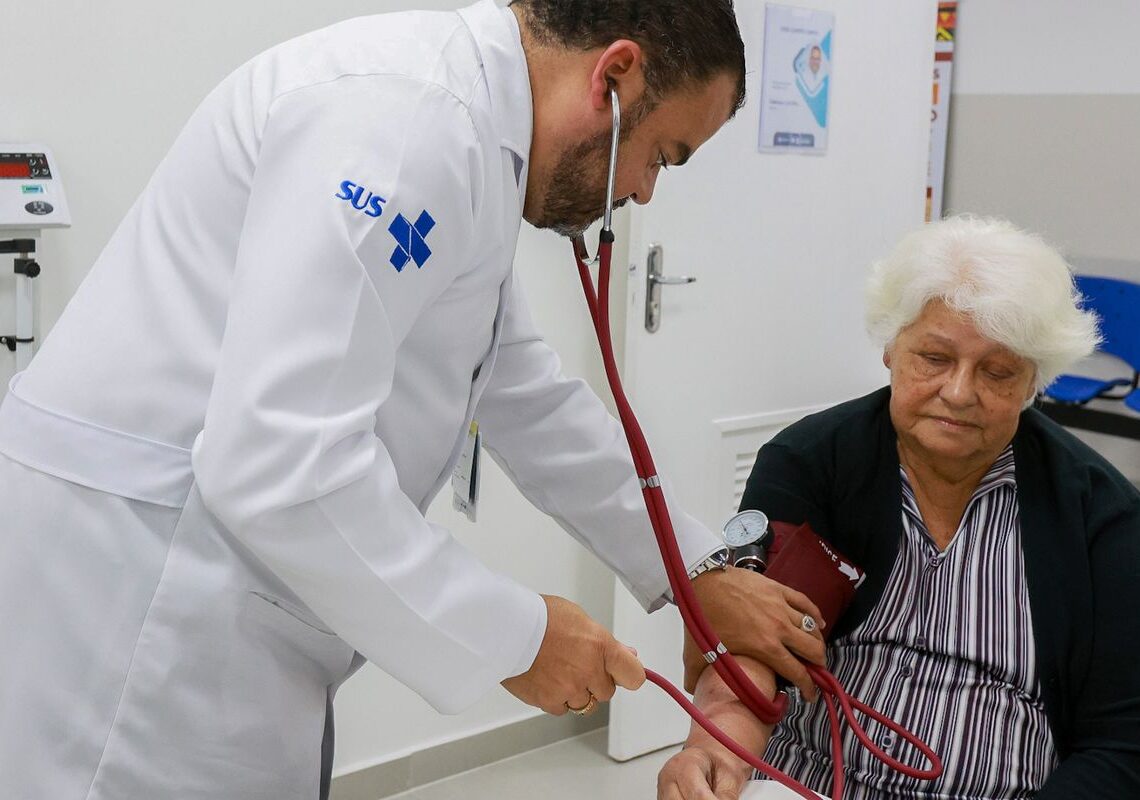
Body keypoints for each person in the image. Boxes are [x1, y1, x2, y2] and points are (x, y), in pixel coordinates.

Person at [0, 1, 828, 798]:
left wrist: (694, 571)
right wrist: (518, 636)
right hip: (141, 609)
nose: (644, 192)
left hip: (217, 601)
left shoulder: (472, 143)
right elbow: (280, 463)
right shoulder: (408, 127)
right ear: (613, 76)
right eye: (662, 155)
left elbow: (524, 392)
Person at [659, 216, 1140, 800]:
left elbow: (1122, 744)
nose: (958, 393)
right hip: (810, 784)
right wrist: (716, 753)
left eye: (997, 371)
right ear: (891, 348)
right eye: (934, 358)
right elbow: (754, 644)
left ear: (1035, 381)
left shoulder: (1103, 517)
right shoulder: (812, 461)